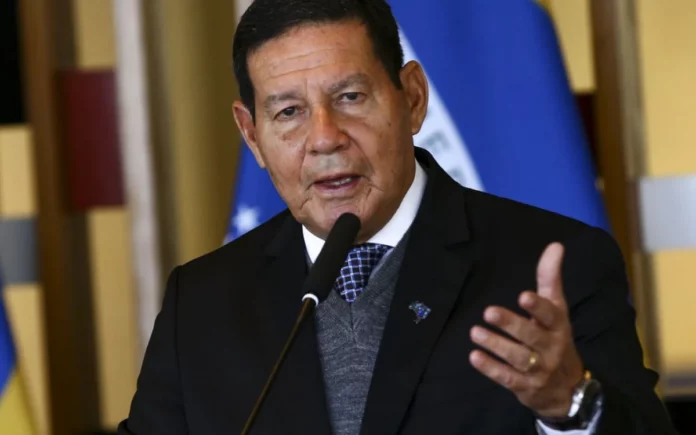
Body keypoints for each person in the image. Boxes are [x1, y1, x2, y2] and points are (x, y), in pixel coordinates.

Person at [118, 0, 677, 434]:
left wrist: (571, 404)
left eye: (350, 97)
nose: (324, 138)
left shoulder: (550, 267)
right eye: (288, 112)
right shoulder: (203, 302)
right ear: (252, 134)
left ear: (411, 97)